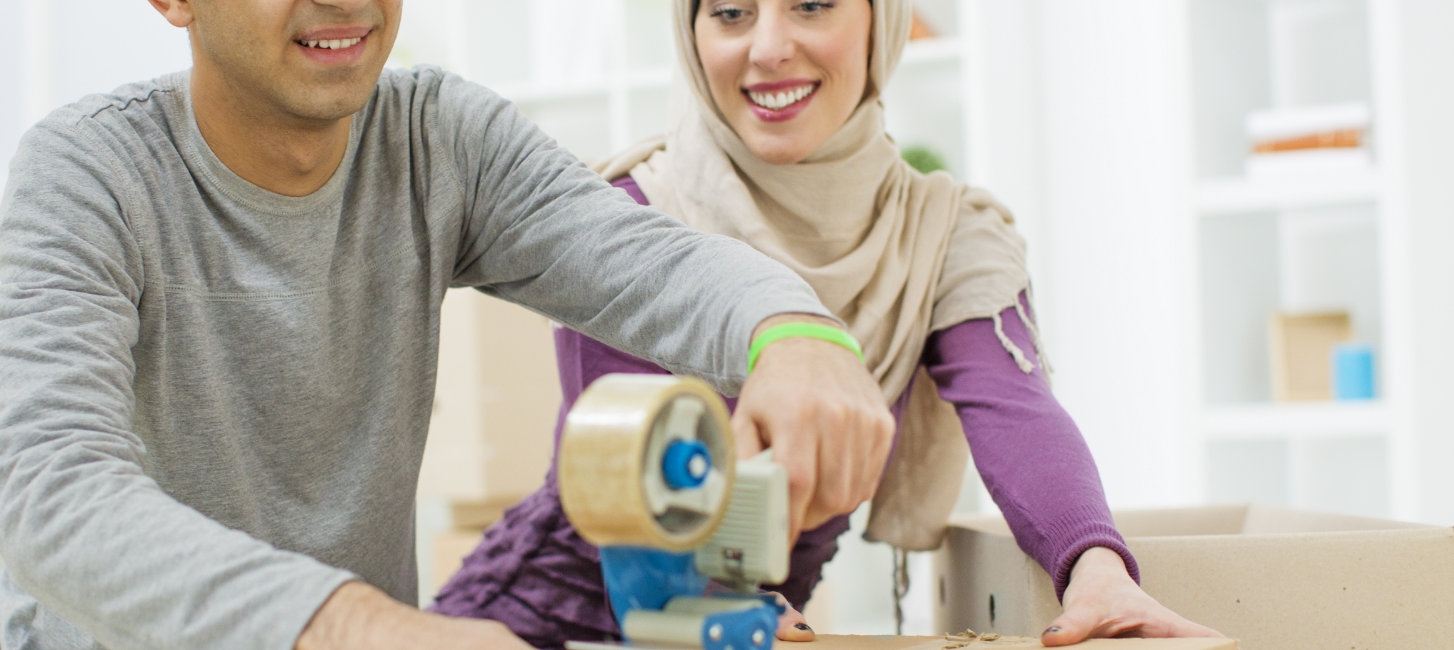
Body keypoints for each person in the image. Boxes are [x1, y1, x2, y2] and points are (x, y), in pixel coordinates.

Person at [0, 0, 909, 647]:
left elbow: (638, 258)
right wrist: (353, 625)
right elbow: (50, 487)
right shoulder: (86, 170)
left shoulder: (438, 138)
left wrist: (793, 330)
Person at [430, 0, 1224, 647]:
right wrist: (739, 607)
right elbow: (641, 489)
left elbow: (1015, 411)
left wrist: (1096, 570)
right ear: (690, 32)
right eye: (732, 13)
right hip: (541, 624)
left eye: (812, 5)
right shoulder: (631, 217)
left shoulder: (945, 236)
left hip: (747, 631)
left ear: (881, 22)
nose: (769, 47)